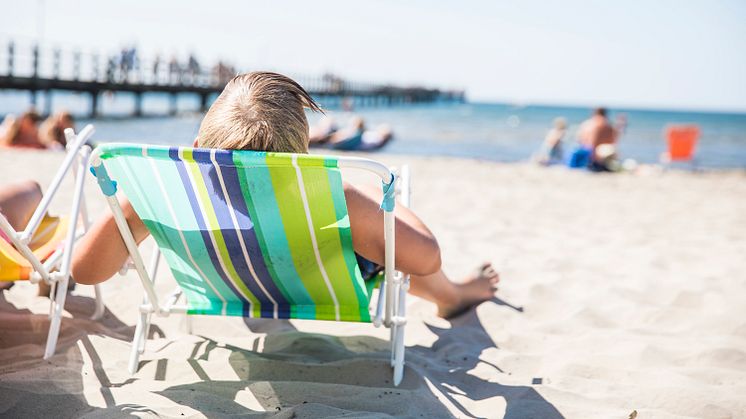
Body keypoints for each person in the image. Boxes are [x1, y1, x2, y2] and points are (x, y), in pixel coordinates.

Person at [71, 72, 499, 319]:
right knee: (379, 238)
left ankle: (455, 295)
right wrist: (377, 197)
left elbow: (85, 272)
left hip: (226, 287)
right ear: (303, 150)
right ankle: (453, 296)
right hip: (313, 289)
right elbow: (426, 258)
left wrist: (131, 208)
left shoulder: (161, 193)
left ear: (200, 139)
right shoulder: (340, 200)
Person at [576, 107, 620, 172]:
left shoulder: (586, 123)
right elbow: (613, 141)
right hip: (596, 153)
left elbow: (579, 139)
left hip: (585, 151)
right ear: (605, 113)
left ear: (594, 112)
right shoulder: (606, 124)